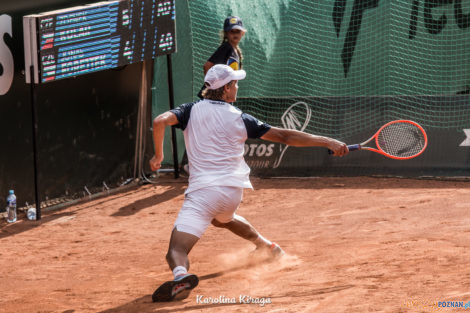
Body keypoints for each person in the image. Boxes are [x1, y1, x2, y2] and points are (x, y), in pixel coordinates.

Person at [149, 64, 349, 302]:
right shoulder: (241, 118)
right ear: (225, 90)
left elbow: (160, 121)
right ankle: (267, 247)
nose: (237, 86)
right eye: (234, 83)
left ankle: (180, 276)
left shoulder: (189, 111)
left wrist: (159, 156)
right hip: (232, 194)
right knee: (222, 218)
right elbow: (286, 136)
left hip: (203, 193)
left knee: (177, 249)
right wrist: (328, 141)